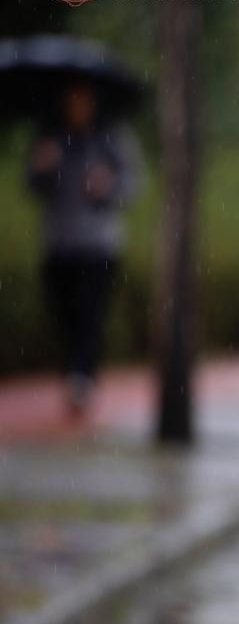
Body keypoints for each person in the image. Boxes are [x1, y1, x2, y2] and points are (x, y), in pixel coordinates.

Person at [26, 81, 142, 415]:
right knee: (64, 315)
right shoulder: (50, 137)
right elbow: (31, 184)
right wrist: (42, 168)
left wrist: (109, 185)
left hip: (99, 245)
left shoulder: (111, 137)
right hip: (58, 243)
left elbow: (133, 183)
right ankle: (73, 373)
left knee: (91, 313)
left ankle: (82, 378)